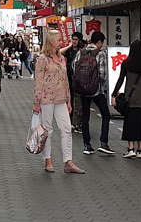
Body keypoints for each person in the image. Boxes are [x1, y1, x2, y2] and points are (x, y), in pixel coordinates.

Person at [33, 29, 84, 174]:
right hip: (46, 98)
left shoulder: (61, 58)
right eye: (58, 40)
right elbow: (38, 81)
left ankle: (68, 161)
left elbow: (65, 79)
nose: (60, 42)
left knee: (66, 128)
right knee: (47, 130)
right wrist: (36, 102)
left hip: (61, 98)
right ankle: (48, 159)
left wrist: (68, 99)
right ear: (51, 42)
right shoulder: (42, 58)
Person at [111, 39, 141, 158]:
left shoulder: (126, 63)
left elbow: (120, 79)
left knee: (131, 124)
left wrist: (114, 94)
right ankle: (140, 150)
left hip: (131, 98)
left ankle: (131, 148)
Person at [74, 31, 114, 155]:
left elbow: (74, 68)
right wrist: (100, 87)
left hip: (83, 90)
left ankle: (87, 145)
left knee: (85, 118)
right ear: (99, 42)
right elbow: (102, 74)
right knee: (106, 115)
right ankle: (103, 143)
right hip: (96, 91)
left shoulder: (81, 52)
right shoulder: (100, 53)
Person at [62, 32, 84, 131]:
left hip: (79, 79)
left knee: (79, 101)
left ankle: (78, 122)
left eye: (76, 40)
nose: (74, 41)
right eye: (73, 39)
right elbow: (60, 52)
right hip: (69, 78)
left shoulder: (82, 51)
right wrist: (69, 46)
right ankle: (71, 121)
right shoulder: (69, 50)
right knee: (70, 100)